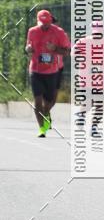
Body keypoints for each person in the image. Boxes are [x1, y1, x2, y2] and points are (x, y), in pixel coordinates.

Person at [25, 9, 71, 137]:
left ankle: (46, 115)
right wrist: (28, 49)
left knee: (49, 102)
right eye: (42, 23)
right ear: (38, 21)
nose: (45, 26)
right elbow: (28, 48)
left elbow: (67, 51)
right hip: (35, 70)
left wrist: (54, 48)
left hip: (52, 71)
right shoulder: (32, 31)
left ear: (51, 21)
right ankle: (42, 129)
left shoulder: (59, 32)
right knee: (38, 100)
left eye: (47, 23)